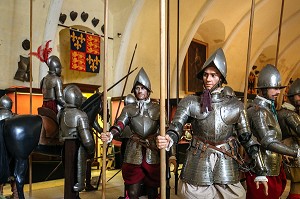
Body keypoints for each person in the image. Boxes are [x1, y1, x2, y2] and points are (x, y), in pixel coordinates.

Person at [156, 48, 268, 199]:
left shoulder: (236, 105)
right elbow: (176, 126)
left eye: (213, 75)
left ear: (221, 78)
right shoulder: (190, 102)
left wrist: (261, 171)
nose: (208, 79)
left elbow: (247, 138)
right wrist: (169, 138)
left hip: (226, 160)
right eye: (205, 74)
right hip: (197, 159)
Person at [101, 67, 160, 199]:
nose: (140, 91)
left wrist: (171, 154)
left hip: (152, 149)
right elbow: (120, 125)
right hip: (134, 149)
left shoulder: (158, 108)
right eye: (137, 88)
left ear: (148, 90)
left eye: (143, 88)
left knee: (152, 191)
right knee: (133, 192)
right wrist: (111, 134)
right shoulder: (128, 109)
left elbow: (166, 131)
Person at [246, 64, 300, 199]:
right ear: (264, 87)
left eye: (279, 88)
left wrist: (282, 152)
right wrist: (296, 152)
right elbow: (267, 141)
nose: (278, 92)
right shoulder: (257, 111)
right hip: (261, 168)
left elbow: (274, 137)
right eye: (275, 88)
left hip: (272, 167)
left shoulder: (268, 110)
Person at [59, 85, 95, 193]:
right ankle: (80, 183)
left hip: (65, 146)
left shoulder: (62, 113)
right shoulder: (80, 114)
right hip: (76, 146)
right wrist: (91, 150)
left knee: (68, 175)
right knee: (76, 170)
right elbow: (87, 140)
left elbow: (60, 134)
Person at [277, 78, 300, 199]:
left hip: (287, 150)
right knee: (296, 185)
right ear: (291, 96)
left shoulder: (282, 111)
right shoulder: (290, 114)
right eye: (299, 96)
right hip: (293, 152)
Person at [0, 95, 17, 199]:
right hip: (13, 148)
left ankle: (0, 192)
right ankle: (16, 193)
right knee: (15, 168)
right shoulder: (15, 117)